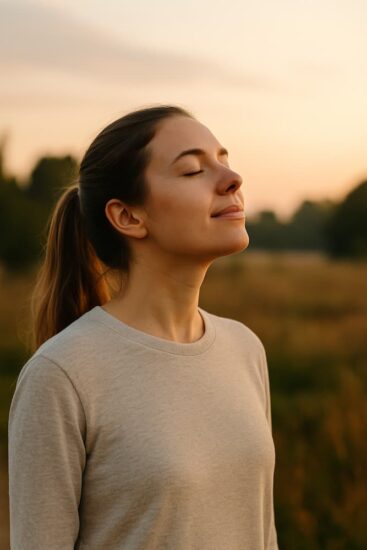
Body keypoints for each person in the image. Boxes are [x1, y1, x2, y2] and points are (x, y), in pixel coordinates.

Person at [8, 104, 279, 549]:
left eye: (223, 161)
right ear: (129, 217)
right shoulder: (62, 374)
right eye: (192, 170)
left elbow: (262, 533)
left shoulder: (245, 348)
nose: (232, 179)